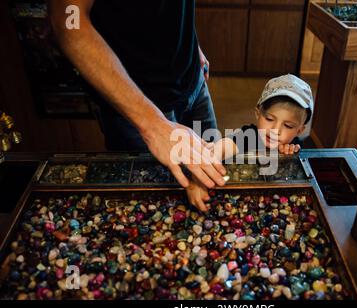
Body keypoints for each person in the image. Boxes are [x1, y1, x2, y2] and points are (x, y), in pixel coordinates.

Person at [48, 0, 226, 190]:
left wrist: (190, 42)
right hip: (140, 110)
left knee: (213, 175)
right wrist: (153, 124)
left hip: (193, 81)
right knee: (162, 200)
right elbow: (68, 24)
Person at [186, 74, 314, 211]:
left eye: (288, 125)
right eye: (269, 119)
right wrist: (199, 175)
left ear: (300, 130)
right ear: (258, 113)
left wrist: (287, 156)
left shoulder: (296, 146)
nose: (275, 130)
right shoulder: (249, 135)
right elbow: (224, 146)